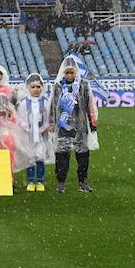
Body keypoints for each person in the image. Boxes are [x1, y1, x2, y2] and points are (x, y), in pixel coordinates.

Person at [49, 56, 98, 194]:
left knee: (82, 155)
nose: (70, 75)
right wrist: (52, 122)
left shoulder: (83, 85)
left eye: (72, 72)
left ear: (76, 72)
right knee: (62, 155)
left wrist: (92, 123)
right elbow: (53, 105)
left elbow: (89, 104)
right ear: (63, 73)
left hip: (80, 126)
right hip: (63, 126)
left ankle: (83, 182)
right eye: (67, 73)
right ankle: (61, 182)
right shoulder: (58, 86)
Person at [17, 73, 52, 192]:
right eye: (33, 87)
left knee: (40, 158)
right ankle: (31, 181)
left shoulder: (46, 102)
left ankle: (40, 181)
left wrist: (41, 129)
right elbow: (20, 119)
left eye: (38, 87)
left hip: (41, 136)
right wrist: (28, 129)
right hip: (28, 136)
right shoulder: (23, 103)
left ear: (42, 87)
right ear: (28, 88)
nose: (36, 90)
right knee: (30, 158)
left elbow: (48, 119)